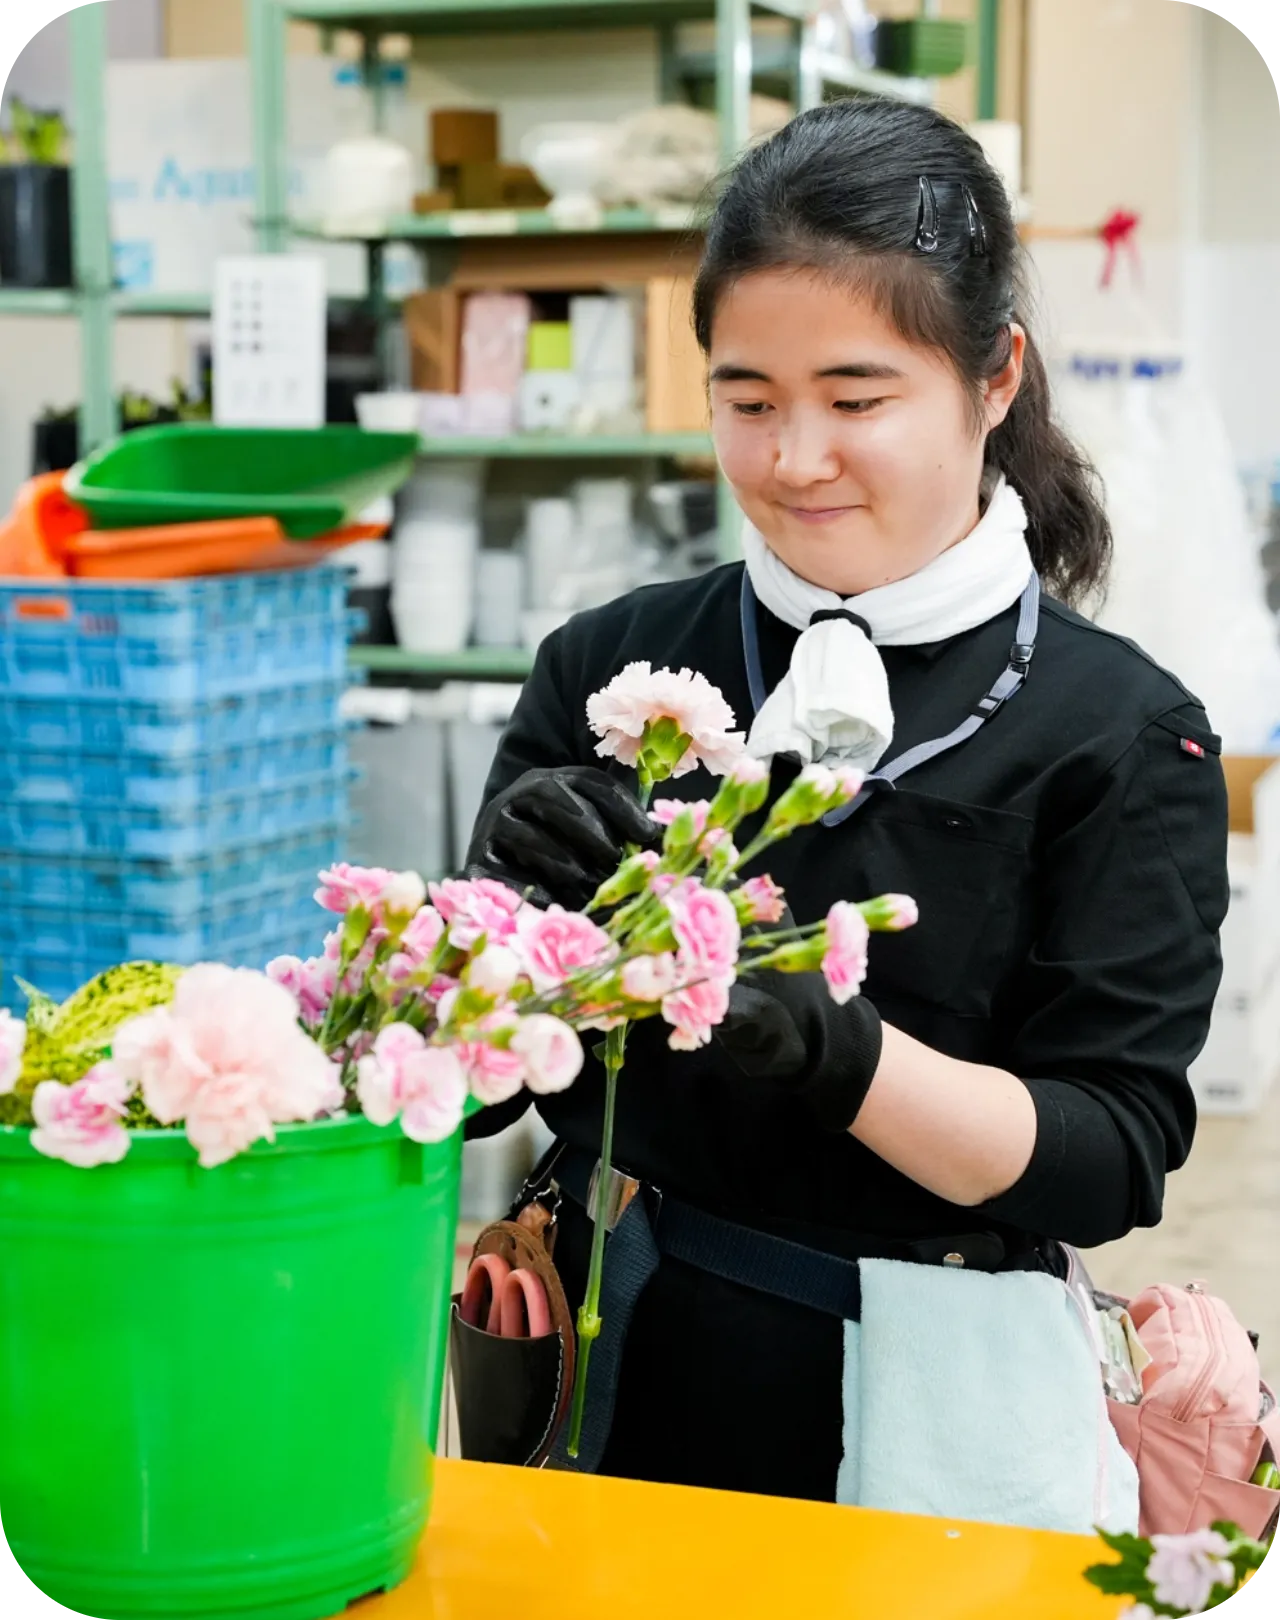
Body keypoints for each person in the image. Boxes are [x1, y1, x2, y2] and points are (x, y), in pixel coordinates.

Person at [463, 100, 1228, 1510]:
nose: (793, 457)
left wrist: (843, 1057)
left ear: (995, 377)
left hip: (940, 1410)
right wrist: (496, 939)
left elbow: (1106, 1158)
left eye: (857, 400)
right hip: (610, 1360)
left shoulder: (1119, 735)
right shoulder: (609, 668)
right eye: (747, 401)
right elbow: (474, 1097)